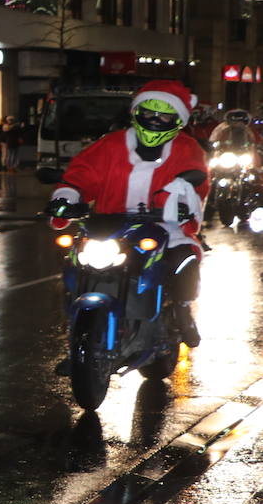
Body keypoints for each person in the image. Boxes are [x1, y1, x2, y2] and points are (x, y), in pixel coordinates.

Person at [46, 80, 209, 348]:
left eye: (164, 114)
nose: (154, 120)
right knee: (76, 259)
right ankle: (78, 330)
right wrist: (67, 197)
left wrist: (183, 203)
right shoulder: (110, 145)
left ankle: (181, 309)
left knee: (184, 257)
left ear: (178, 118)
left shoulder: (187, 148)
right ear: (135, 113)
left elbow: (198, 182)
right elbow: (81, 175)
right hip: (109, 222)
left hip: (162, 223)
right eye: (148, 112)